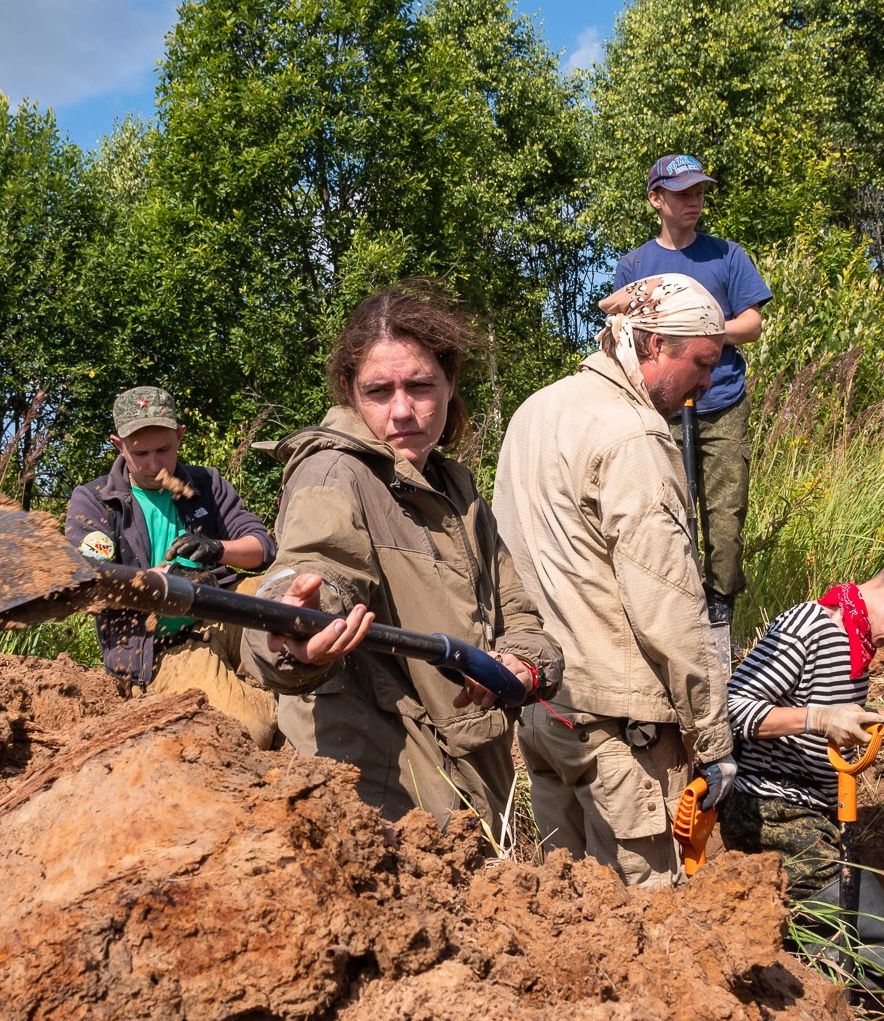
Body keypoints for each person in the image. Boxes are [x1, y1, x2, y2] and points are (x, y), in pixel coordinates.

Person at [240, 288, 564, 830]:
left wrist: (522, 662)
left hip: (469, 772)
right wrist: (293, 629)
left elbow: (517, 610)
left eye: (420, 386)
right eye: (378, 391)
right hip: (386, 787)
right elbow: (314, 568)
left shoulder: (455, 488)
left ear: (450, 383)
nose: (401, 410)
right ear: (349, 391)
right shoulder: (334, 473)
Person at [492, 273, 738, 889]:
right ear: (652, 344)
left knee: (571, 911)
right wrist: (712, 737)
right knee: (647, 917)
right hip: (620, 731)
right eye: (702, 362)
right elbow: (669, 604)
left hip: (546, 708)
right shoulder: (634, 435)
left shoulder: (535, 410)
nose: (708, 382)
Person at [719, 548, 884, 998]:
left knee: (849, 942)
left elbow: (842, 712)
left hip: (809, 816)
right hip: (771, 813)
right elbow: (732, 710)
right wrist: (817, 720)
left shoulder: (855, 639)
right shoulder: (809, 627)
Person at [612, 154, 773, 631]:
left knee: (725, 516)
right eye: (683, 193)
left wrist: (702, 332)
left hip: (722, 402)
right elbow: (625, 333)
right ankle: (676, 613)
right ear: (656, 199)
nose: (694, 201)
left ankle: (721, 611)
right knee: (668, 510)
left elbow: (752, 323)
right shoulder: (635, 265)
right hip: (659, 409)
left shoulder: (726, 255)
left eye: (699, 192)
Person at [64, 387, 277, 734]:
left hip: (223, 611)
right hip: (160, 645)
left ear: (179, 436)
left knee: (285, 586)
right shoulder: (96, 500)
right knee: (254, 726)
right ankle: (268, 708)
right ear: (119, 446)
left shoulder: (207, 483)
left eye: (164, 450)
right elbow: (89, 583)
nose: (154, 465)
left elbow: (264, 548)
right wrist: (164, 585)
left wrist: (217, 548)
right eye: (140, 453)